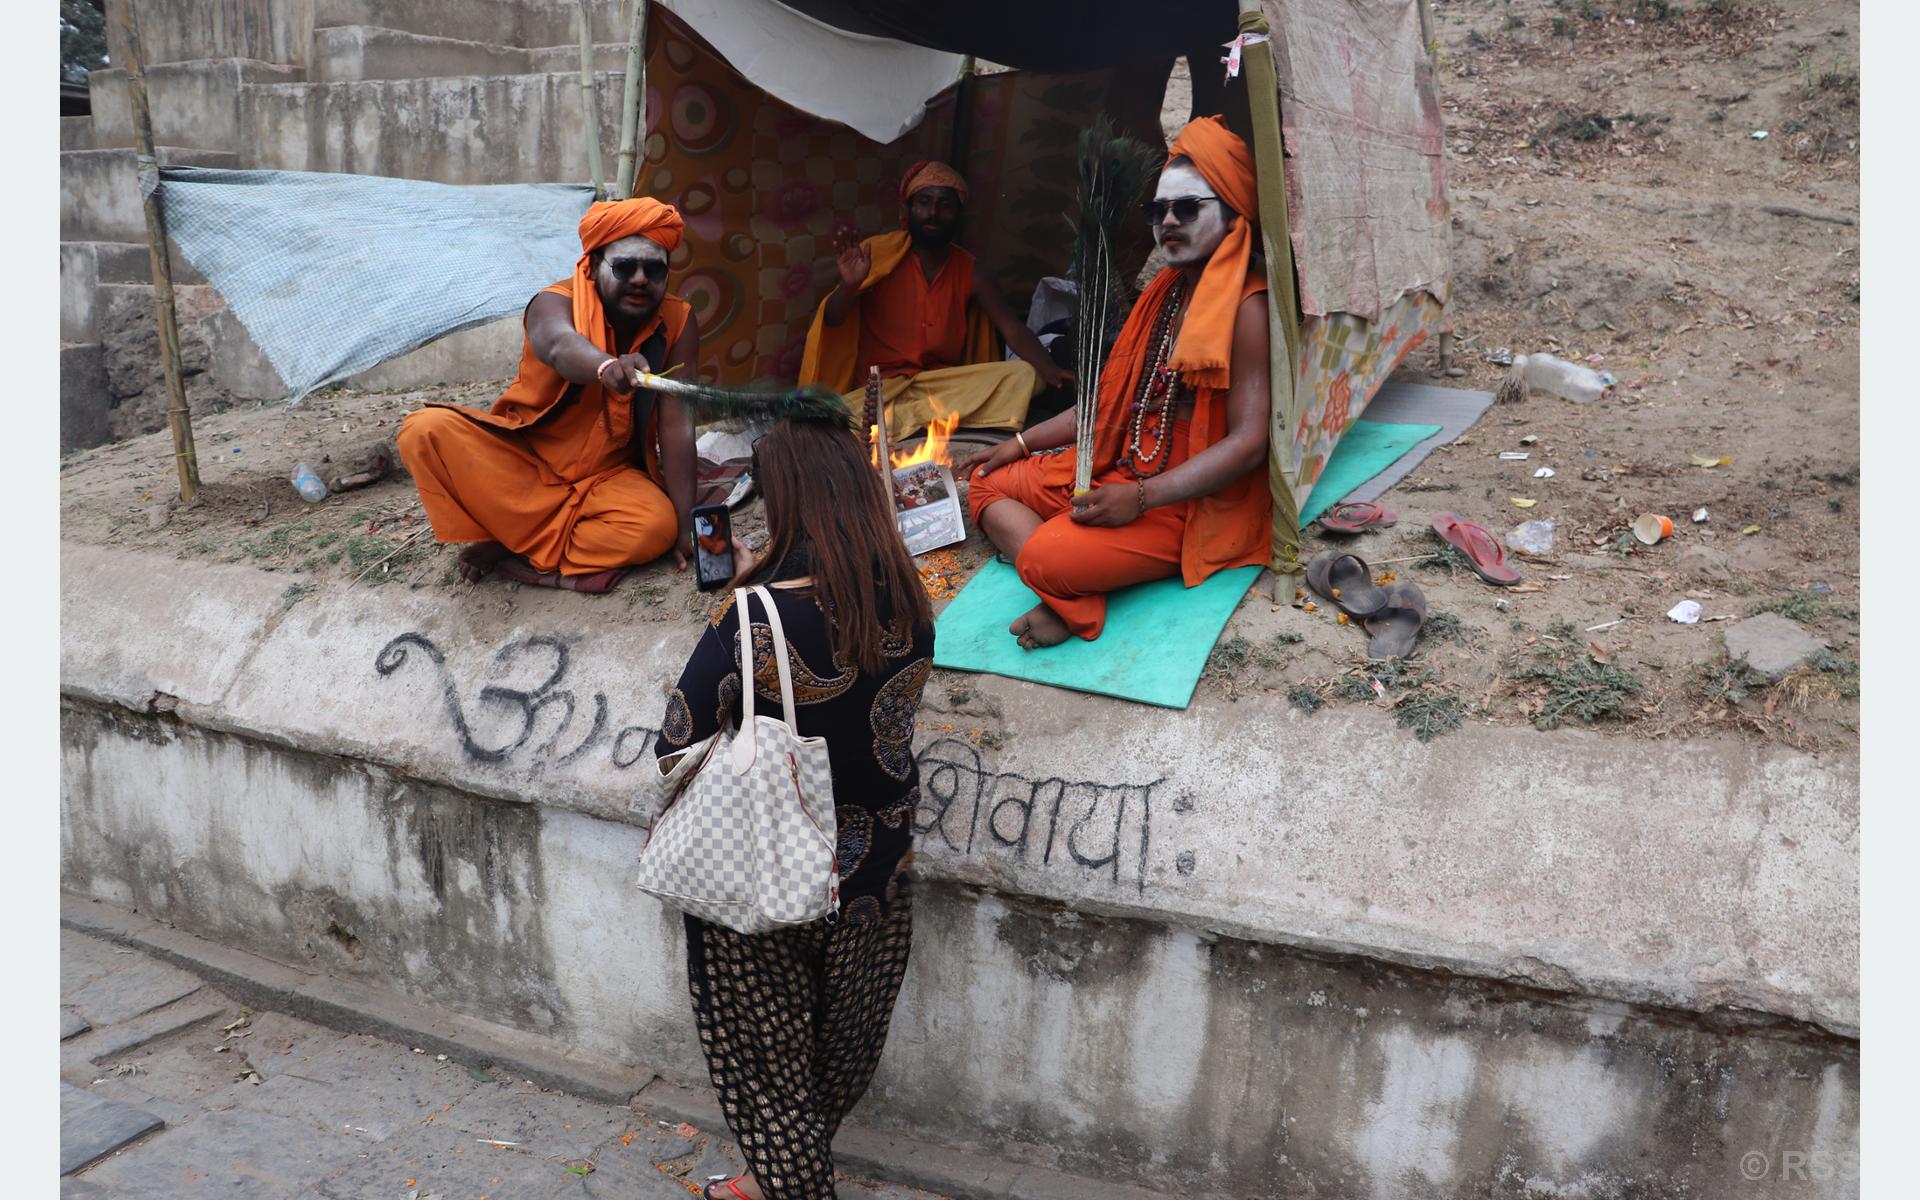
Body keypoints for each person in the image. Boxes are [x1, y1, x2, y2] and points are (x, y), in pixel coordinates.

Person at [653, 413, 936, 1200]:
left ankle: (789, 1184)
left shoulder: (751, 618)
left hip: (766, 876)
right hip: (877, 874)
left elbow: (676, 737)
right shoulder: (913, 602)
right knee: (833, 1058)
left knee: (768, 1077)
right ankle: (769, 1176)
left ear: (784, 502)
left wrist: (745, 598)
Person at [956, 116, 1272, 647]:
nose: (1168, 221)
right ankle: (1071, 592)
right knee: (987, 479)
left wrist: (1143, 498)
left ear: (1234, 212)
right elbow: (1104, 407)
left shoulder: (1248, 306)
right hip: (1118, 470)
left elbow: (1248, 443)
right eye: (1158, 209)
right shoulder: (1165, 291)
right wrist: (1018, 443)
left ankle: (1064, 581)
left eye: (1187, 207)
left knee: (1041, 554)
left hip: (1181, 504)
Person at [396, 197, 699, 594]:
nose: (641, 279)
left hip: (606, 480)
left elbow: (679, 426)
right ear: (592, 266)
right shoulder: (553, 302)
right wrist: (606, 367)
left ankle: (512, 539)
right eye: (625, 266)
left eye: (654, 269)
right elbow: (558, 345)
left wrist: (686, 524)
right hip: (525, 463)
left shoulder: (679, 320)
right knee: (424, 430)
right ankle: (522, 534)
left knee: (655, 528)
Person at [797, 160, 1072, 440]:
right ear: (909, 209)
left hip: (943, 389)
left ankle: (903, 425)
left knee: (1026, 376)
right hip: (881, 391)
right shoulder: (878, 255)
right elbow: (833, 319)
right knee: (826, 421)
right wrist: (849, 286)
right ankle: (914, 423)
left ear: (958, 214)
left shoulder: (972, 272)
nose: (933, 213)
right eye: (924, 202)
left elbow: (1011, 328)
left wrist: (1051, 371)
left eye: (945, 205)